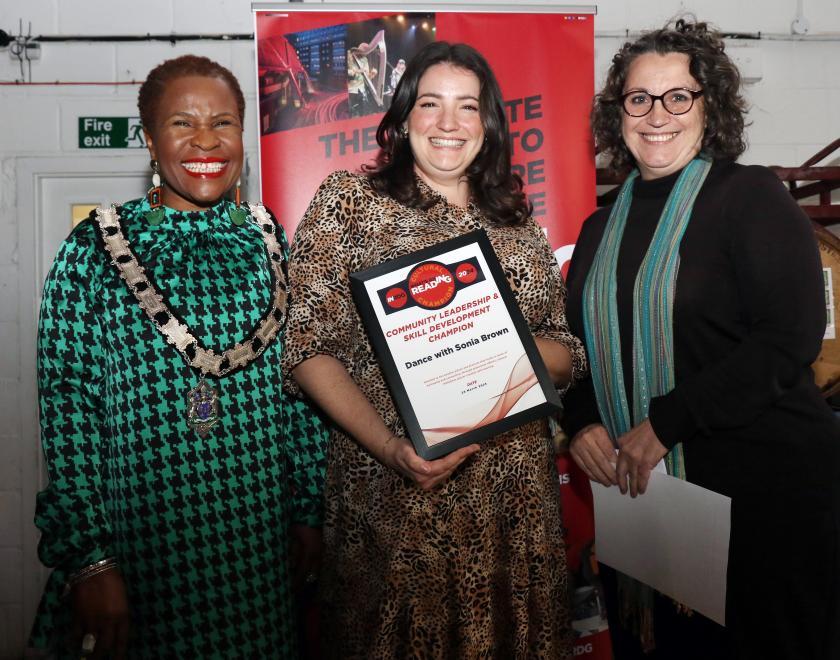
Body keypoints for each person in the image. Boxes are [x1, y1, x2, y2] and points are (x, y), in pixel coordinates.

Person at [283, 41, 586, 658]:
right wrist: (392, 450)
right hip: (394, 503)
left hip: (514, 507)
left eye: (468, 106)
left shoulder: (518, 225)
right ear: (402, 119)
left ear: (488, 124)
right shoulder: (348, 203)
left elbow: (566, 352)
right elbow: (307, 349)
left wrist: (493, 343)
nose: (449, 122)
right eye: (430, 103)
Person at [29, 55, 328, 659]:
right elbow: (68, 413)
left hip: (259, 549)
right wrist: (90, 560)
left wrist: (307, 510)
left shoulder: (270, 239)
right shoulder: (92, 249)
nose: (206, 141)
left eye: (223, 122)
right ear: (148, 138)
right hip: (143, 549)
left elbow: (298, 389)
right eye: (182, 123)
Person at [563, 19, 840, 660]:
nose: (657, 115)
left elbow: (788, 338)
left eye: (678, 96)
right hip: (646, 505)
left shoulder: (750, 196)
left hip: (764, 497)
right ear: (618, 113)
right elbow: (578, 351)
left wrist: (666, 423)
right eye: (639, 98)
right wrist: (581, 423)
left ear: (708, 107)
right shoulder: (599, 228)